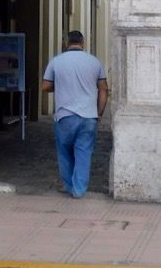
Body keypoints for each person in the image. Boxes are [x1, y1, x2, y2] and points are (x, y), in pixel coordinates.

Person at [41, 30, 108, 198]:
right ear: (82, 43)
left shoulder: (56, 61)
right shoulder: (94, 62)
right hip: (88, 116)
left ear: (66, 43)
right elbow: (103, 89)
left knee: (64, 152)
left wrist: (60, 85)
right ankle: (79, 190)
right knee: (84, 153)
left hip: (65, 115)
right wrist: (99, 112)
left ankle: (69, 186)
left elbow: (45, 86)